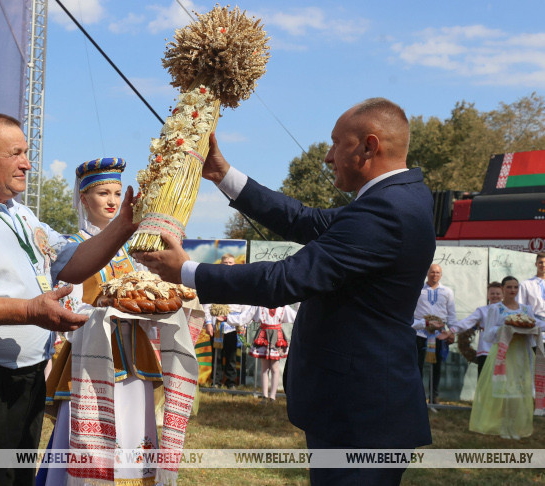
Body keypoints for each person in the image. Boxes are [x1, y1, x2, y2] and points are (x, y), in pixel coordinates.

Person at [135, 98, 434, 485]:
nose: (327, 157)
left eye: (335, 143)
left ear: (368, 146)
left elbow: (286, 280)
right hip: (361, 404)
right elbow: (304, 220)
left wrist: (187, 271)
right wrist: (222, 173)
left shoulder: (387, 210)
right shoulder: (398, 197)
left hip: (361, 411)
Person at [0, 113, 137, 486]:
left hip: (25, 380)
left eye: (26, 152)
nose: (28, 163)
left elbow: (73, 262)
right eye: (15, 153)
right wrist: (32, 310)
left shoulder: (23, 215)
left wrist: (124, 226)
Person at [40, 157, 162, 486]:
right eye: (103, 193)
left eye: (117, 193)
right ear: (83, 199)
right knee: (85, 433)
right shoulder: (74, 248)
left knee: (132, 430)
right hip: (90, 358)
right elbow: (70, 304)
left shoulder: (128, 253)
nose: (111, 201)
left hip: (131, 356)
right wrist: (109, 310)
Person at [469, 276, 545, 439]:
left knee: (518, 390)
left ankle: (514, 425)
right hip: (503, 354)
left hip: (520, 354)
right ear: (503, 289)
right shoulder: (496, 309)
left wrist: (527, 328)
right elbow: (488, 334)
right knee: (504, 390)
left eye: (515, 287)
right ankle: (503, 425)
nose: (513, 290)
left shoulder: (525, 310)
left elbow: (536, 325)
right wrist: (505, 329)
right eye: (509, 287)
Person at [202, 254, 256, 389]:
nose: (228, 265)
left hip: (233, 325)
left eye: (231, 263)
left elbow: (246, 305)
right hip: (217, 326)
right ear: (221, 264)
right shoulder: (214, 282)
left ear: (235, 264)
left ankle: (231, 382)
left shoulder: (240, 282)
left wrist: (243, 324)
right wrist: (208, 323)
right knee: (217, 355)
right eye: (225, 263)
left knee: (231, 355)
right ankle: (216, 381)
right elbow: (207, 304)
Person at [411, 264, 457, 404]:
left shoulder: (447, 291)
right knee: (417, 366)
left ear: (441, 275)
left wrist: (452, 332)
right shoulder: (418, 290)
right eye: (432, 272)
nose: (434, 275)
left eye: (437, 272)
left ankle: (433, 397)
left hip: (438, 335)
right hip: (420, 333)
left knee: (436, 367)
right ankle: (417, 398)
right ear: (427, 273)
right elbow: (411, 313)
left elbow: (451, 314)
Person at [444, 281, 502, 376]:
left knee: (501, 380)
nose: (495, 296)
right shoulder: (482, 310)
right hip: (485, 350)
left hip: (503, 349)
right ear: (488, 295)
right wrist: (451, 330)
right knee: (483, 379)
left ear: (503, 295)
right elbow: (468, 321)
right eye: (492, 293)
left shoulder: (508, 310)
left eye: (498, 293)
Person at [249, 304, 297, 401]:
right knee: (265, 368)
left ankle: (273, 396)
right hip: (264, 335)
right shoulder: (260, 306)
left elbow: (296, 316)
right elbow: (247, 315)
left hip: (276, 337)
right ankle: (265, 395)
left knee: (275, 367)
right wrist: (228, 317)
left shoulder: (283, 307)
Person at [518, 253, 545, 321]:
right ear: (536, 264)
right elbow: (520, 305)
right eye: (540, 262)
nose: (543, 265)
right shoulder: (525, 284)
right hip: (535, 320)